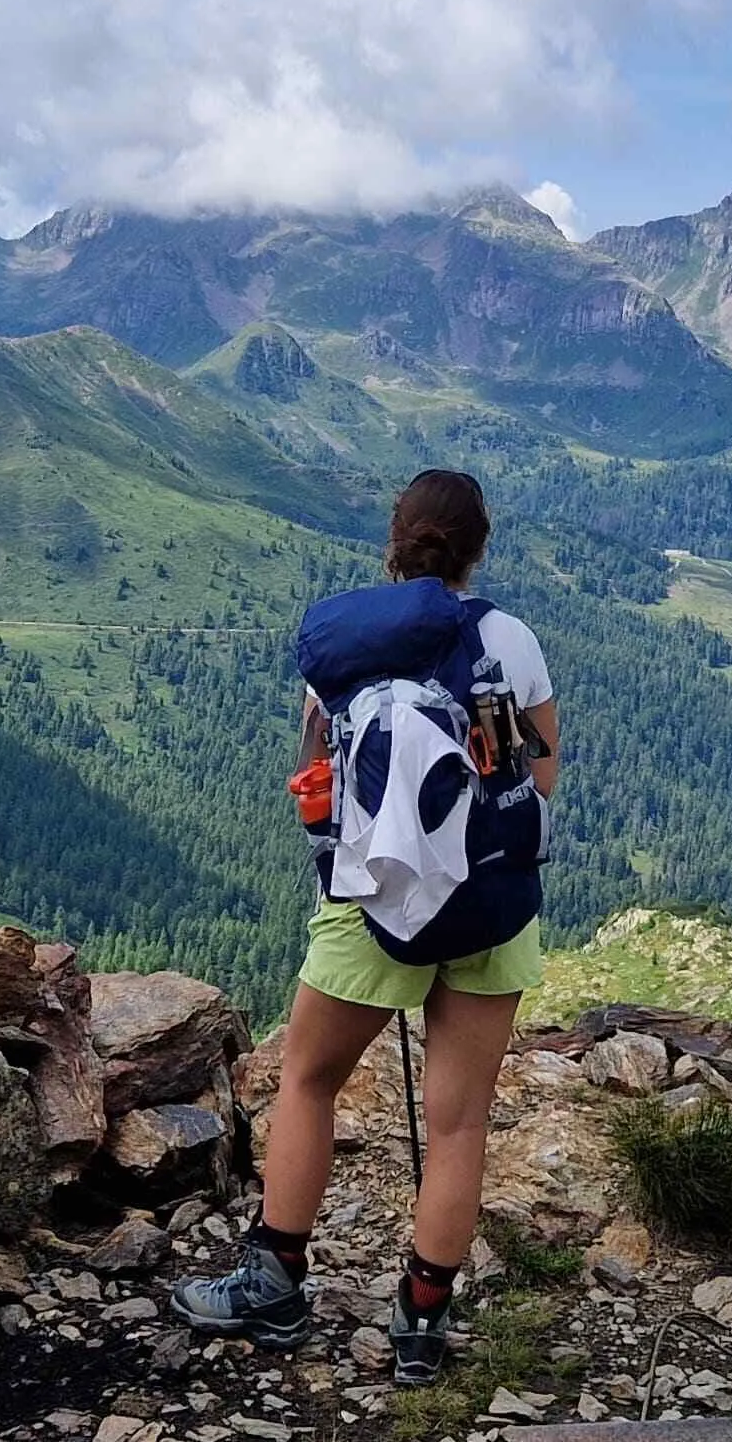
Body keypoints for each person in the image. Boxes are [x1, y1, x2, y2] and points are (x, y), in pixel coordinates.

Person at [175, 468, 558, 1384]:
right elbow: (538, 782)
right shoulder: (511, 639)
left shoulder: (348, 645)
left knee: (308, 1081)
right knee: (460, 1123)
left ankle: (275, 1285)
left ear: (395, 540)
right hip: (493, 902)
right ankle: (421, 1323)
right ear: (479, 546)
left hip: (370, 905)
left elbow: (316, 784)